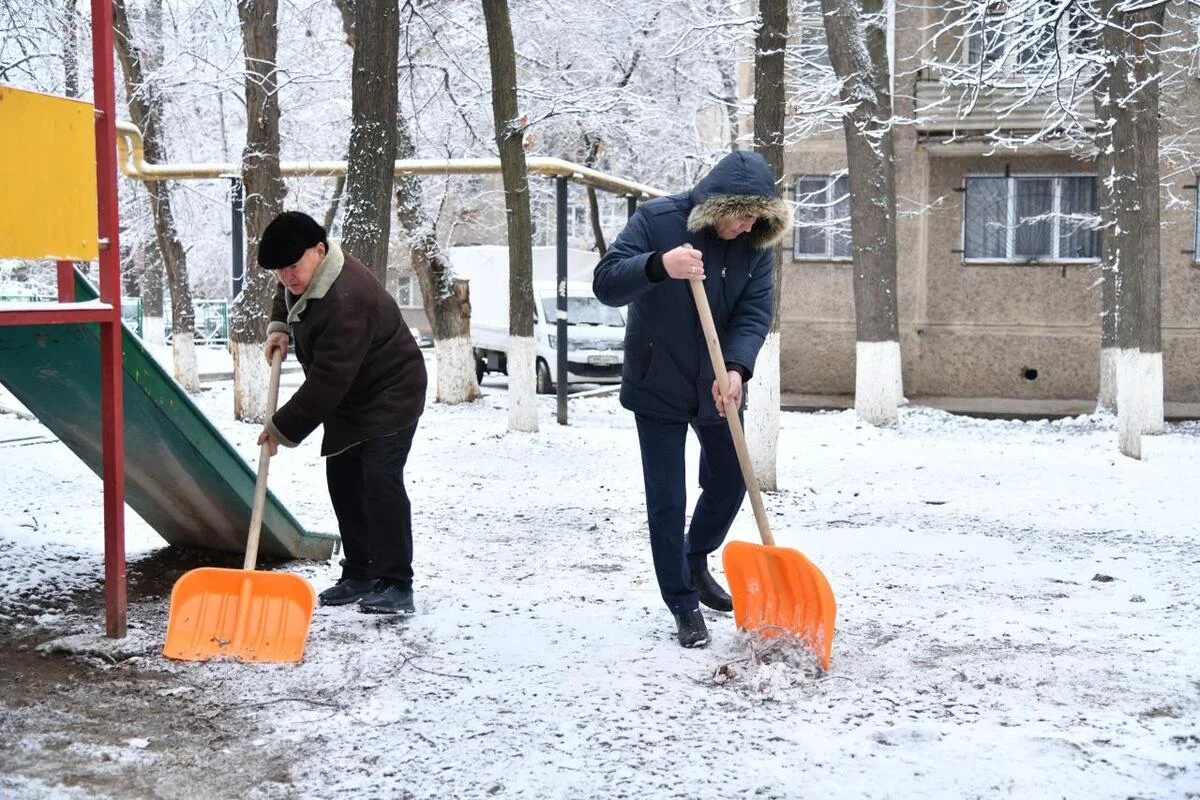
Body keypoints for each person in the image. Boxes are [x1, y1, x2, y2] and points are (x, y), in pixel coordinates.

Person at [592, 151, 789, 648]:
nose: (747, 227)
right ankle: (681, 603)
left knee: (730, 480)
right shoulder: (657, 222)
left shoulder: (755, 244)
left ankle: (696, 555)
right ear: (716, 206)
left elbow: (755, 311)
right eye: (741, 215)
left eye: (757, 218)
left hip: (718, 386)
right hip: (657, 379)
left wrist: (738, 368)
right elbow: (607, 283)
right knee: (667, 498)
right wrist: (659, 265)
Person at [256, 211, 428, 615]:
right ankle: (360, 572)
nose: (286, 277)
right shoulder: (305, 272)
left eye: (292, 266)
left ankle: (396, 583)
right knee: (344, 479)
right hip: (353, 395)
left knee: (380, 481)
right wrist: (280, 325)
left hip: (391, 392)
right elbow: (286, 295)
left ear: (319, 249)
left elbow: (327, 381)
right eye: (279, 270)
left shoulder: (348, 298)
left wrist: (281, 428)